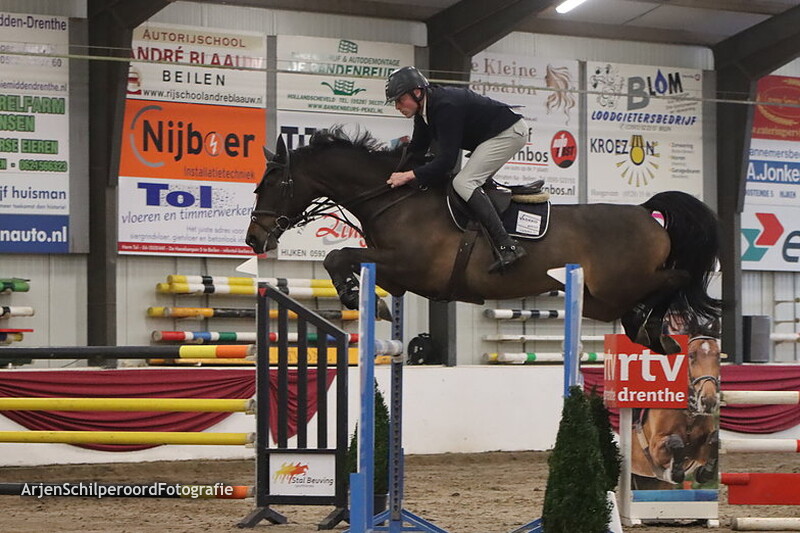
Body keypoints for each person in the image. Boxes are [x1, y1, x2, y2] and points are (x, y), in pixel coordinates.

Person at [385, 66, 529, 273]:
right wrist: (391, 171)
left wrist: (409, 175)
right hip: (491, 135)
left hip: (508, 133)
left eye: (399, 100)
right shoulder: (424, 111)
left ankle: (508, 246)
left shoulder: (445, 106)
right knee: (464, 182)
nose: (397, 106)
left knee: (464, 182)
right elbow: (416, 149)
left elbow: (446, 161)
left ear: (417, 93)